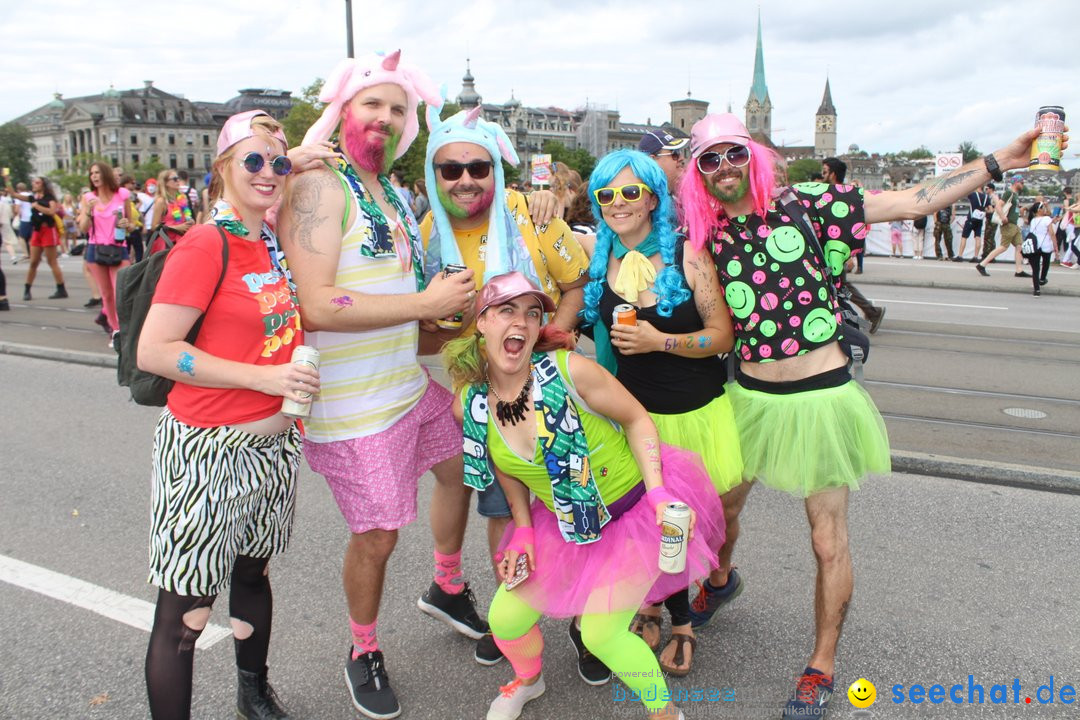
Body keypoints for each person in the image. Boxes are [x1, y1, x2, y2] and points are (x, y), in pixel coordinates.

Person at [678, 112, 1051, 718]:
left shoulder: (811, 205)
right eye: (708, 160)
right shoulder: (704, 238)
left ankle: (820, 667)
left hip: (822, 396)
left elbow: (910, 201)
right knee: (721, 512)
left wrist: (1001, 159)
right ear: (697, 174)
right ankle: (720, 581)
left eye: (732, 154)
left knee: (827, 542)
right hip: (748, 397)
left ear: (754, 156)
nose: (723, 168)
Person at [278, 50, 483, 720]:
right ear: (343, 110)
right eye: (373, 104)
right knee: (378, 536)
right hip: (352, 406)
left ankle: (446, 587)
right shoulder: (319, 187)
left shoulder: (391, 191)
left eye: (398, 109)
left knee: (464, 471)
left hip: (405, 384)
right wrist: (426, 307)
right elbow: (313, 303)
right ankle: (362, 649)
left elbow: (395, 293)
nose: (386, 118)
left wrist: (452, 322)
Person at [443, 270, 726, 720]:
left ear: (538, 329)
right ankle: (528, 681)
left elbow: (637, 419)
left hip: (631, 514)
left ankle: (664, 711)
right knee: (505, 620)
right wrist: (522, 529)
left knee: (601, 633)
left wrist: (657, 495)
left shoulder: (569, 372)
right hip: (563, 521)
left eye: (532, 314)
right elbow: (508, 470)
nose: (520, 322)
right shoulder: (470, 404)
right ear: (482, 322)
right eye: (506, 311)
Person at [138, 110, 317, 720]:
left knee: (252, 575)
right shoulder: (204, 243)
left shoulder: (268, 242)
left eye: (280, 161)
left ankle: (253, 693)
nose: (269, 172)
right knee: (186, 615)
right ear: (222, 167)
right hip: (207, 451)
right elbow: (155, 350)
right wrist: (262, 377)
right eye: (254, 160)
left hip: (271, 449)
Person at [579, 149, 742, 678]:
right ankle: (653, 605)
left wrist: (660, 340)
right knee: (647, 523)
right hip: (634, 416)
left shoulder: (685, 252)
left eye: (630, 192)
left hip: (697, 412)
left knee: (688, 526)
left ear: (652, 197)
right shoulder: (598, 258)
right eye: (606, 195)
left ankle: (684, 621)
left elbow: (722, 336)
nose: (618, 204)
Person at [821, 157, 884, 332]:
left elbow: (848, 227)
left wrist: (848, 256)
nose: (822, 175)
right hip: (828, 253)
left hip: (835, 253)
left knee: (841, 287)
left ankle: (866, 316)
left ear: (833, 174)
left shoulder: (838, 196)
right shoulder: (833, 193)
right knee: (839, 287)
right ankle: (861, 317)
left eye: (825, 171)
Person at [77, 162, 132, 342]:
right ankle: (115, 330)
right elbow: (84, 229)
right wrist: (89, 212)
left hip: (119, 247)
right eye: (91, 173)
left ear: (106, 174)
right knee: (107, 294)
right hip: (96, 248)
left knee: (122, 291)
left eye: (97, 172)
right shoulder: (88, 198)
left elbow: (131, 225)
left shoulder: (122, 195)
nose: (94, 176)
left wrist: (126, 224)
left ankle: (125, 327)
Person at [21, 177, 67, 301]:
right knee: (33, 262)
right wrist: (7, 180)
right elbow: (15, 195)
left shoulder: (49, 198)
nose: (33, 184)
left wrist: (37, 206)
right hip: (37, 231)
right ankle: (27, 289)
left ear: (43, 185)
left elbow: (52, 211)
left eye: (37, 182)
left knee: (52, 262)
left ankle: (61, 288)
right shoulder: (33, 197)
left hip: (48, 230)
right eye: (33, 182)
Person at [976, 176, 1028, 278]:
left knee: (1019, 247)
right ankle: (982, 264)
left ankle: (1019, 270)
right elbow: (998, 205)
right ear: (1016, 182)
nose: (1023, 184)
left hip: (1014, 224)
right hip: (1009, 224)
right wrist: (1003, 217)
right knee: (1003, 247)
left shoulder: (1014, 195)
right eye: (1021, 182)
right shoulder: (1009, 193)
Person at [148, 169, 196, 253]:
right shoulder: (161, 201)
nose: (178, 180)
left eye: (178, 178)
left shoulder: (182, 199)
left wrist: (190, 221)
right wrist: (176, 228)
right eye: (175, 179)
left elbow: (185, 218)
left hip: (182, 241)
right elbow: (154, 226)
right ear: (166, 183)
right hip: (166, 244)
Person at [638, 127, 690, 193]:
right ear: (652, 161)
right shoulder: (643, 200)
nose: (681, 158)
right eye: (675, 153)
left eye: (680, 151)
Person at [1024, 201, 1058, 296]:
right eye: (1043, 208)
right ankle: (1042, 279)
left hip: (1034, 246)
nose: (1045, 209)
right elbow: (1051, 233)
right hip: (1046, 246)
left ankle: (1037, 290)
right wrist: (1056, 247)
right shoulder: (1047, 219)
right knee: (1045, 264)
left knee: (1035, 269)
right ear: (1039, 210)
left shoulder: (1033, 220)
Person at [960, 185, 991, 262]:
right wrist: (983, 211)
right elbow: (990, 210)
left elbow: (964, 193)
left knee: (964, 237)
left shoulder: (973, 194)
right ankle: (976, 256)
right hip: (979, 220)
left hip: (971, 219)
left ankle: (960, 256)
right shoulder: (987, 197)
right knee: (978, 237)